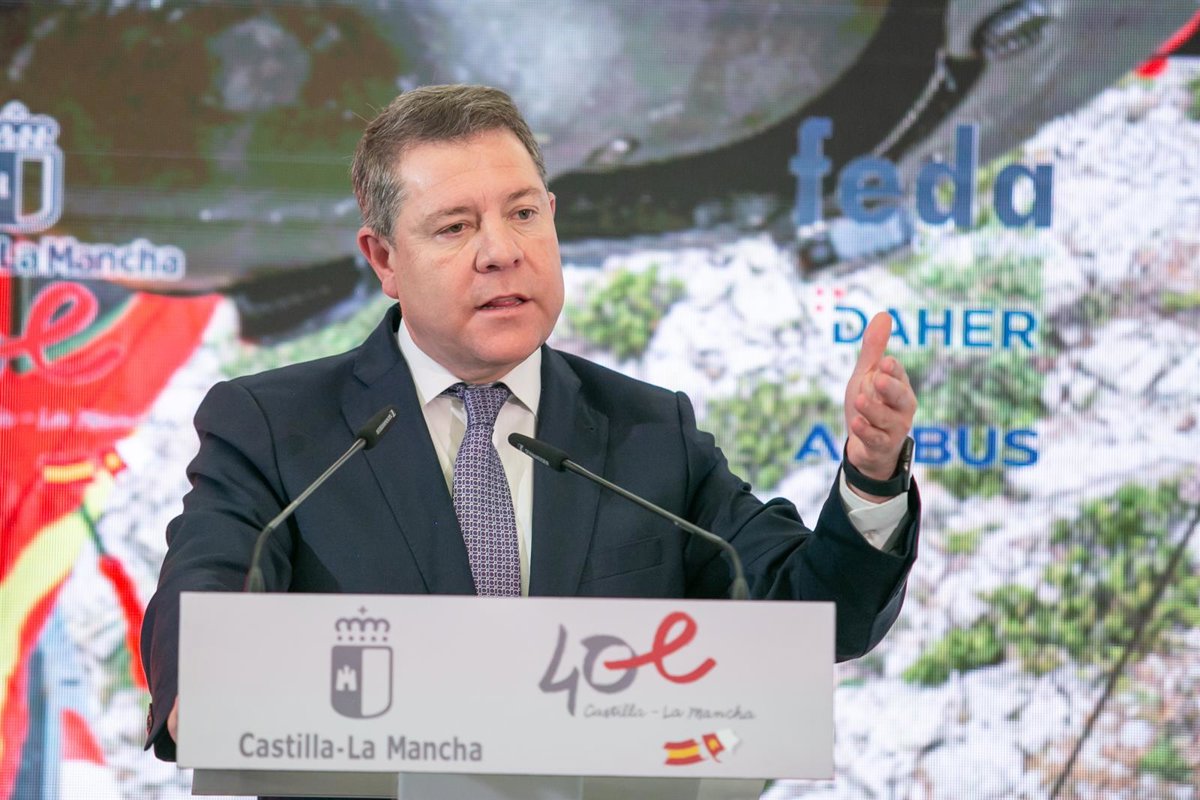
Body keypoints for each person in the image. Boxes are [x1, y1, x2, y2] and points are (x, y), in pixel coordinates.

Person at [142, 85, 920, 761]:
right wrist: (200, 683)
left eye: (521, 214)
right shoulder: (279, 429)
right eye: (454, 228)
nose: (501, 252)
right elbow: (207, 589)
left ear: (551, 218)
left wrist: (872, 477)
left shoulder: (649, 431)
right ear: (383, 259)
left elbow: (812, 619)